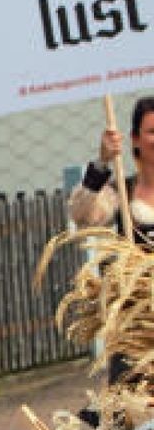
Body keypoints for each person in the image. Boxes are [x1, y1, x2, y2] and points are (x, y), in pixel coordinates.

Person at [68, 97, 154, 392]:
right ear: (134, 139)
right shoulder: (121, 191)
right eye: (152, 131)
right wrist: (102, 162)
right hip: (135, 333)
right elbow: (83, 216)